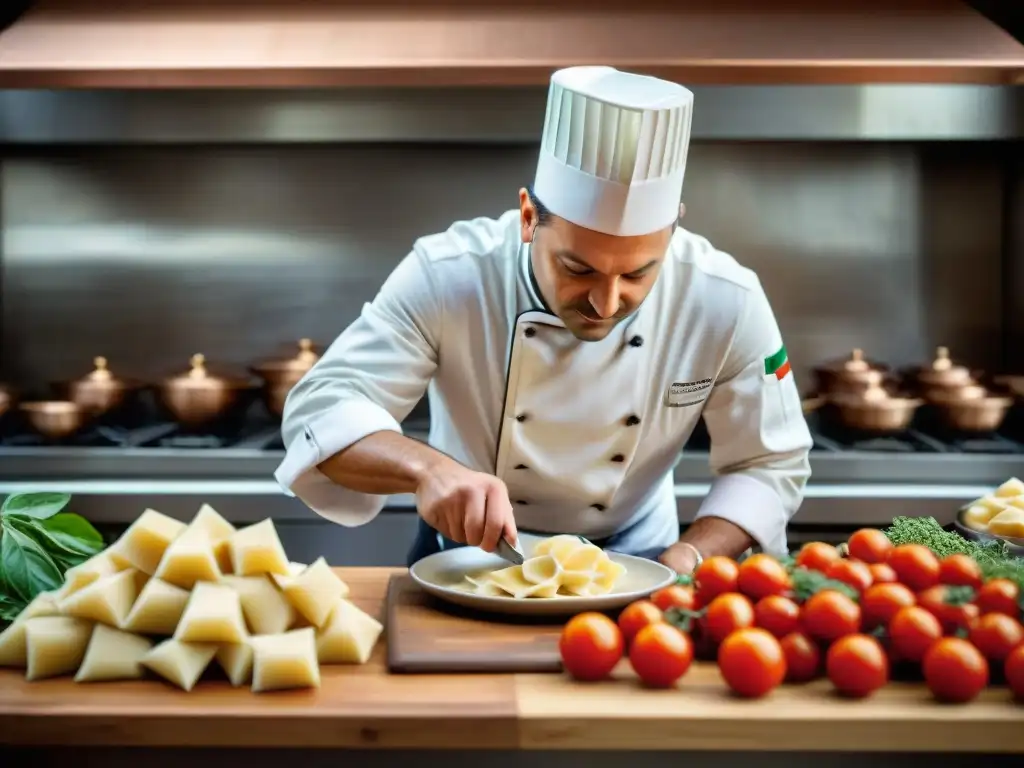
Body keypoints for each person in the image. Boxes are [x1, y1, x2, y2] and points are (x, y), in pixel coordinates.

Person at [275, 66, 813, 575]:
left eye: (637, 275)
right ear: (529, 217)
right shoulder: (450, 275)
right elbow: (322, 410)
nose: (606, 302)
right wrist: (429, 470)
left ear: (674, 229)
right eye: (577, 268)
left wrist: (691, 557)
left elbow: (769, 463)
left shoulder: (725, 299)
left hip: (643, 563)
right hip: (470, 561)